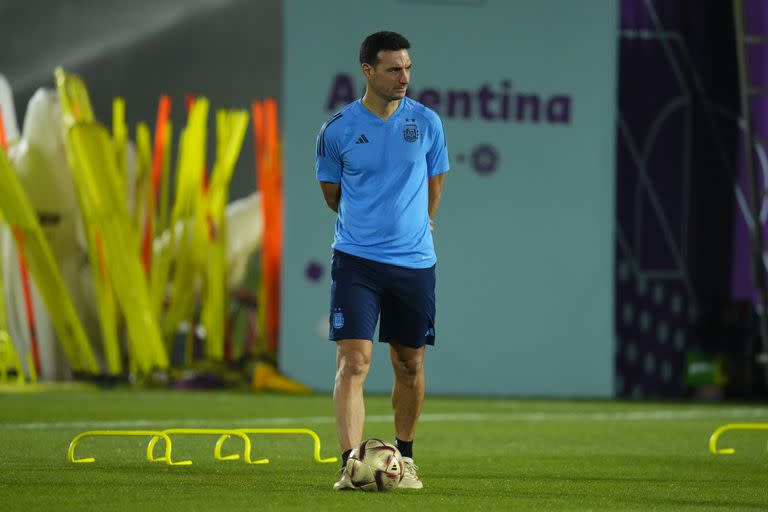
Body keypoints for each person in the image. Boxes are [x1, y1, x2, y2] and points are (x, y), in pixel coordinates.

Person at [315, 31, 449, 491]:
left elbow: (436, 180)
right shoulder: (338, 131)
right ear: (368, 72)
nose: (404, 77)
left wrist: (421, 223)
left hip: (414, 263)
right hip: (355, 260)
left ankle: (405, 458)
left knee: (409, 363)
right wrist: (370, 224)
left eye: (408, 67)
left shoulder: (428, 123)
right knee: (353, 361)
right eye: (394, 69)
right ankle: (351, 465)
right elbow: (333, 196)